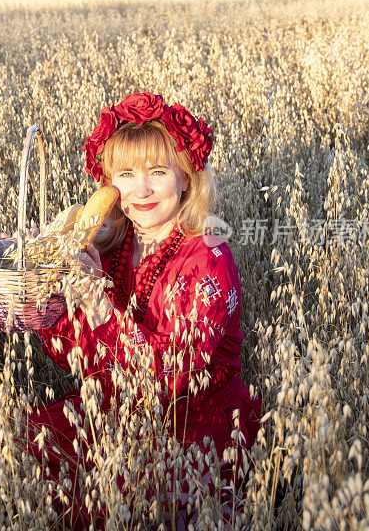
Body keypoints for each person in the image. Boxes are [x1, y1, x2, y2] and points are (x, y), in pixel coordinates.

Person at [24, 92, 262, 529]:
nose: (143, 189)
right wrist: (49, 298)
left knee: (129, 498)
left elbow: (171, 377)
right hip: (116, 406)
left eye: (158, 172)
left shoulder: (208, 258)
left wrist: (100, 306)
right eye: (127, 174)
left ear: (187, 179)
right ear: (109, 184)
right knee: (22, 450)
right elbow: (76, 357)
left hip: (193, 421)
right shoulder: (111, 248)